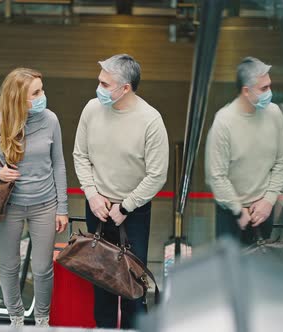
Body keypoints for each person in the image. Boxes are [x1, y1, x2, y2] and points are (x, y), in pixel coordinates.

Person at [73, 54, 169, 328]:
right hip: (98, 210)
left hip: (133, 214)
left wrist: (126, 206)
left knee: (132, 289)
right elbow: (80, 155)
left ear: (125, 87)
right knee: (100, 285)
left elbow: (157, 174)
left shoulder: (150, 120)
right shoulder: (91, 110)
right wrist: (91, 194)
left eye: (105, 84)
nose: (98, 88)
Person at [0, 68, 68, 327]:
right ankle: (15, 318)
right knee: (10, 265)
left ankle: (42, 320)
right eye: (36, 92)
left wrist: (62, 208)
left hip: (45, 205)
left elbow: (58, 164)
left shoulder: (51, 120)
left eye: (42, 89)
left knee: (43, 268)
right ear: (18, 98)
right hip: (10, 207)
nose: (43, 96)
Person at [205, 57, 283, 244]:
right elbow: (216, 176)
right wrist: (237, 209)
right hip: (231, 212)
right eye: (264, 89)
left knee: (259, 269)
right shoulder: (224, 122)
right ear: (246, 91)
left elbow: (282, 162)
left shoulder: (275, 114)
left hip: (263, 209)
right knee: (230, 271)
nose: (270, 93)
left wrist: (269, 200)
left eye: (269, 86)